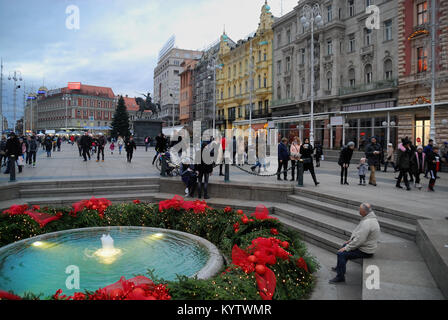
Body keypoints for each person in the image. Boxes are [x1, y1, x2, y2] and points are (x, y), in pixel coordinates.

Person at [329, 203, 381, 284]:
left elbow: (360, 240)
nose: (359, 211)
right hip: (365, 246)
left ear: (364, 212)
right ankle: (340, 268)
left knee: (341, 253)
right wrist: (350, 241)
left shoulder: (367, 223)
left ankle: (340, 277)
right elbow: (359, 235)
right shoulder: (369, 218)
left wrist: (347, 248)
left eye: (360, 210)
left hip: (366, 251)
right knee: (344, 246)